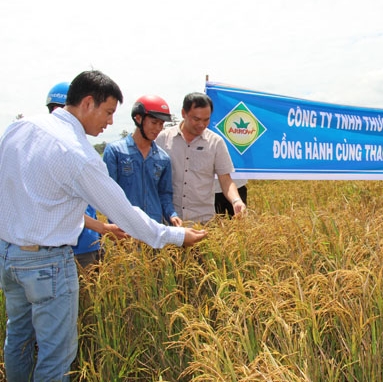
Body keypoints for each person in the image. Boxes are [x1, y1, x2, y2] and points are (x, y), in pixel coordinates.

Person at [0, 70, 207, 382]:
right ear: (87, 103)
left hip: (9, 257)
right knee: (56, 357)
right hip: (47, 265)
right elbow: (123, 212)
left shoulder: (19, 128)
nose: (110, 122)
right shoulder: (78, 153)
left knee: (18, 339)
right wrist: (177, 236)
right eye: (108, 112)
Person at [47, 82, 127, 267]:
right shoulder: (66, 152)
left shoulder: (77, 150)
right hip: (64, 248)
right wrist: (104, 228)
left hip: (87, 244)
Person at [156, 92, 246, 224]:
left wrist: (236, 200)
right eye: (196, 119)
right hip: (168, 221)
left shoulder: (215, 142)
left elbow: (225, 179)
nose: (201, 125)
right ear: (183, 113)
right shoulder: (163, 139)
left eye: (206, 120)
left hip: (203, 223)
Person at [103, 95, 182, 226]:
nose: (158, 128)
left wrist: (172, 215)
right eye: (154, 122)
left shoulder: (163, 159)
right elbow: (108, 193)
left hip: (154, 230)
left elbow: (164, 195)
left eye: (161, 124)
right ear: (138, 119)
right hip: (124, 229)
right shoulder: (115, 151)